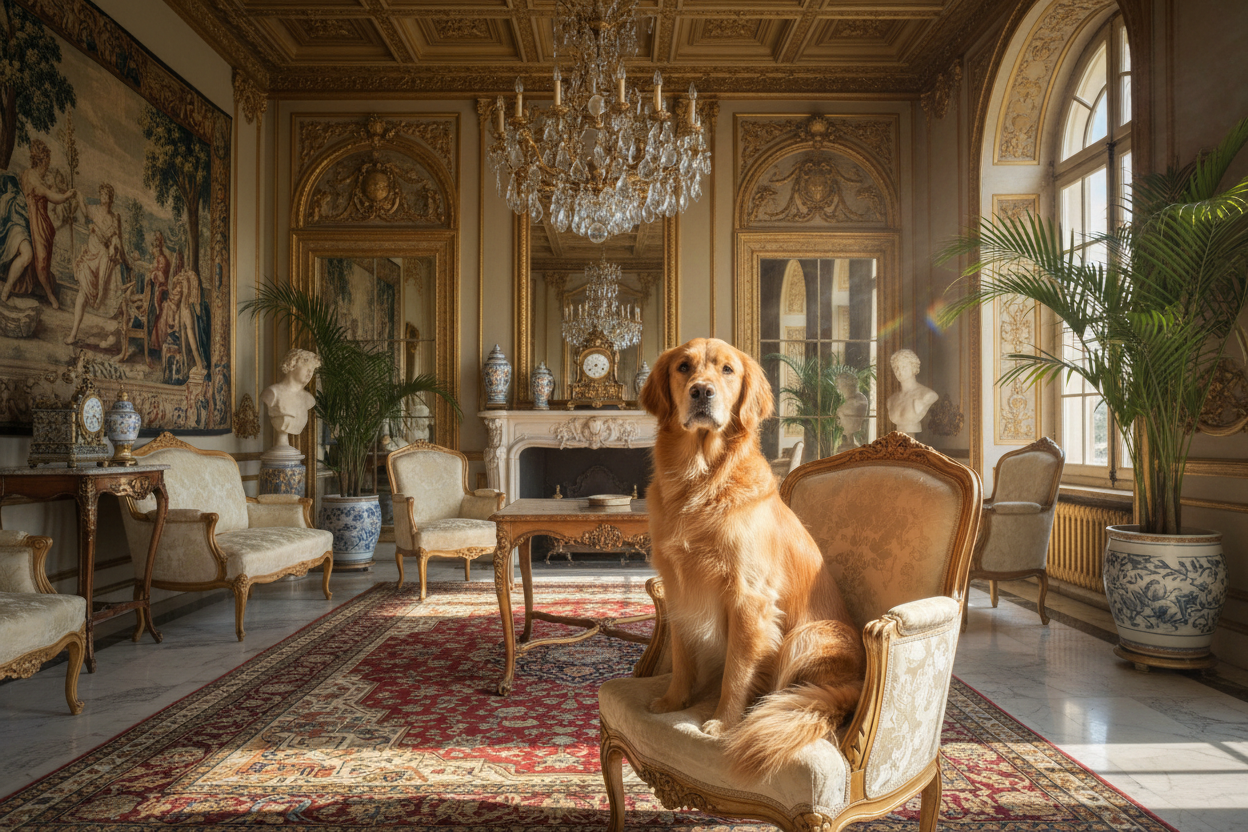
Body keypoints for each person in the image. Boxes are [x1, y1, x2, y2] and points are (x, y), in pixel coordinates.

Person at [1, 140, 76, 309]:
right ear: (41, 161)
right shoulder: (35, 180)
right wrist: (66, 196)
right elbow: (52, 196)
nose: (47, 167)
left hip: (35, 222)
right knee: (39, 261)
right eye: (46, 163)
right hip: (34, 223)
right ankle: (49, 296)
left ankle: (43, 292)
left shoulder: (28, 174)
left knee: (40, 261)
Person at [65, 183, 130, 346]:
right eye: (102, 194)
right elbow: (84, 209)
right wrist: (78, 194)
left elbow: (118, 241)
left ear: (111, 199)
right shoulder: (93, 210)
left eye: (107, 195)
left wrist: (126, 261)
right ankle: (73, 333)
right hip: (90, 256)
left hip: (104, 260)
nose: (104, 197)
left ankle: (115, 334)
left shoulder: (115, 218)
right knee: (82, 293)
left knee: (106, 294)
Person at [261, 349, 321, 446]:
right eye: (307, 368)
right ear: (292, 365)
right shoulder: (273, 393)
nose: (310, 373)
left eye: (312, 370)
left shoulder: (308, 399)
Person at [886, 348, 938, 434]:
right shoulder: (891, 400)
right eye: (896, 368)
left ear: (913, 366)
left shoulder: (927, 395)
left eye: (904, 366)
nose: (900, 371)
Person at [835, 371, 869, 446]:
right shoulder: (845, 400)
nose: (837, 387)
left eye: (839, 384)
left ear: (846, 385)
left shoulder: (859, 400)